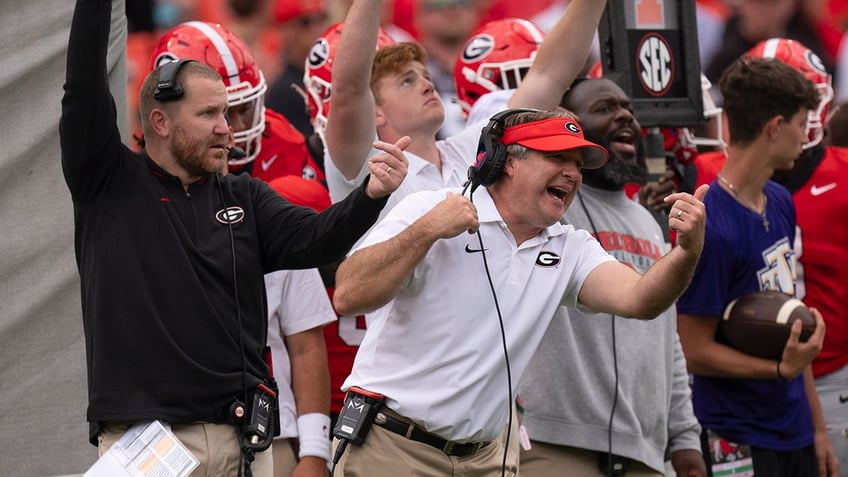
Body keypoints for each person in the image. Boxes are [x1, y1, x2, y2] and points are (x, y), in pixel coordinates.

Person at [60, 0, 408, 475]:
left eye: (228, 113)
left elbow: (318, 240)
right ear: (160, 122)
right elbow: (82, 85)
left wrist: (371, 193)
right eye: (210, 115)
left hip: (242, 439)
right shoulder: (109, 184)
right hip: (145, 443)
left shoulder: (246, 195)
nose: (228, 129)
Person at [330, 108, 709, 475]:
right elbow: (348, 295)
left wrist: (686, 251)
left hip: (485, 459)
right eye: (558, 156)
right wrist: (426, 230)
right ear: (506, 161)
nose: (573, 173)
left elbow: (641, 300)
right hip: (394, 444)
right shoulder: (430, 208)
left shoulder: (570, 246)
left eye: (578, 163)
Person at [517, 78, 706, 477]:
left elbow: (666, 334)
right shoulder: (545, 208)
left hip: (643, 450)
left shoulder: (647, 220)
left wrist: (685, 435)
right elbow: (541, 84)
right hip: (553, 442)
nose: (625, 116)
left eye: (628, 110)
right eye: (604, 108)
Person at [676, 56, 838, 477]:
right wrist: (778, 370)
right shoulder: (711, 220)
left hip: (794, 428)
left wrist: (818, 430)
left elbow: (790, 326)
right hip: (736, 432)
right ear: (774, 127)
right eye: (801, 124)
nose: (806, 136)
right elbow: (693, 350)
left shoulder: (781, 201)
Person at [149, 21, 326, 184]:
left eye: (245, 109)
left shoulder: (279, 144)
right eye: (214, 112)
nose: (239, 127)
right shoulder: (145, 175)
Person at [266, 0, 330, 139]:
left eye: (322, 18)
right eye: (305, 22)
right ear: (284, 31)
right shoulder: (283, 92)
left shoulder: (328, 76)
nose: (317, 29)